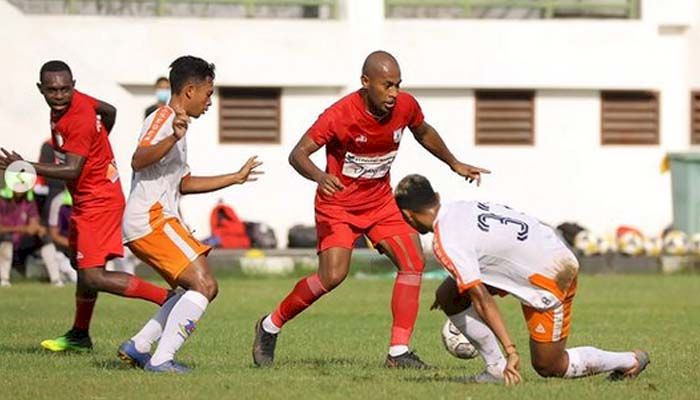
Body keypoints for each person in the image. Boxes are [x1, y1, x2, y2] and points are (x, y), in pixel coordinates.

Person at [252, 50, 490, 368]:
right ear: (366, 82)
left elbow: (423, 131)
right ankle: (269, 325)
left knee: (413, 261)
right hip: (337, 205)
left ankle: (398, 352)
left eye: (397, 85)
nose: (393, 94)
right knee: (332, 276)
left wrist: (454, 162)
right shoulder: (339, 115)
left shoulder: (405, 106)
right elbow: (298, 154)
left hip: (380, 203)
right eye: (386, 85)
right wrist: (320, 177)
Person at [393, 174, 650, 384]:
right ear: (436, 197)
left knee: (549, 365)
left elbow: (481, 299)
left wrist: (511, 350)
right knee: (448, 295)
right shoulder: (459, 208)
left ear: (407, 215)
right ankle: (495, 371)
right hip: (540, 253)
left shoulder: (446, 241)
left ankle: (630, 360)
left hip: (550, 275)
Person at [0, 60, 172, 352]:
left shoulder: (76, 118)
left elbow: (72, 170)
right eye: (52, 90)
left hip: (99, 200)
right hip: (86, 197)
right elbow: (110, 111)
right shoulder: (75, 103)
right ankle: (80, 335)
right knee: (81, 267)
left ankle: (169, 300)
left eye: (64, 89)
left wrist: (26, 166)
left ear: (73, 86)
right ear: (41, 88)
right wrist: (101, 141)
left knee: (92, 274)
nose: (59, 95)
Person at [116, 56, 262, 373]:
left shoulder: (177, 125)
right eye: (209, 94)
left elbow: (183, 183)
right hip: (152, 220)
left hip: (158, 220)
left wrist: (234, 177)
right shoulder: (164, 118)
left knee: (189, 290)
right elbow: (138, 160)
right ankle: (161, 360)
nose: (210, 101)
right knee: (205, 285)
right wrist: (172, 138)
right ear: (190, 90)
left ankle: (139, 346)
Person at [0, 187, 62, 287]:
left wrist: (38, 228)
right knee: (6, 238)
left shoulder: (29, 201)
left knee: (45, 238)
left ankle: (56, 280)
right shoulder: (2, 200)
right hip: (4, 241)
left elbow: (33, 223)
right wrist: (23, 229)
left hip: (22, 243)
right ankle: (4, 279)